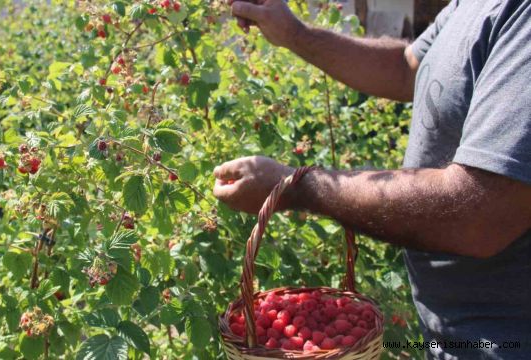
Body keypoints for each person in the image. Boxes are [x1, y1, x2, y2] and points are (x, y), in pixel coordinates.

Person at [213, 0, 531, 358]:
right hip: (457, 333)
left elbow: (479, 215)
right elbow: (406, 65)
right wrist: (294, 33)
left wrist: (295, 186)